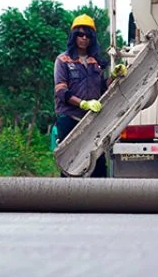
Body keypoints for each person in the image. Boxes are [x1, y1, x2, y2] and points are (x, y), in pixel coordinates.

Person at [53, 14, 124, 177]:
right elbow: (61, 91)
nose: (84, 38)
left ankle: (98, 199)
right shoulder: (63, 60)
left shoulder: (95, 62)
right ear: (74, 36)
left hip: (92, 119)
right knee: (71, 162)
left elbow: (101, 89)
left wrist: (114, 76)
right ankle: (69, 197)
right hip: (70, 118)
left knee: (97, 161)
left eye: (88, 35)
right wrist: (83, 103)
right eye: (80, 34)